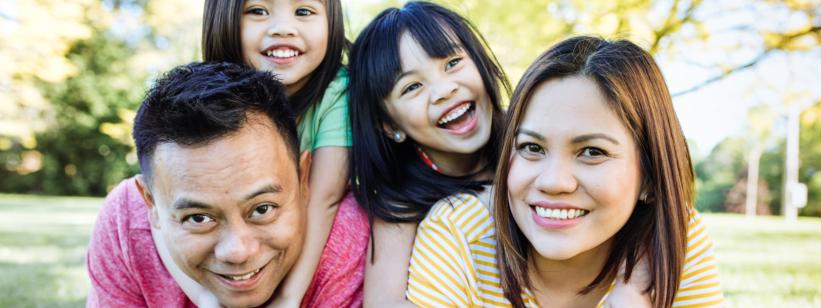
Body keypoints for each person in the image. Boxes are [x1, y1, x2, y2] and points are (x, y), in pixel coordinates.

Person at [407, 36, 725, 307]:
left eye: (592, 152)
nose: (554, 181)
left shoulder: (674, 240)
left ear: (650, 178)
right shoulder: (460, 234)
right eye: (532, 147)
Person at [86, 62, 367, 307]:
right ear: (150, 203)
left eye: (262, 209)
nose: (237, 252)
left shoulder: (349, 239)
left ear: (304, 179)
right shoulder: (125, 221)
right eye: (199, 218)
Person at [161, 1, 358, 305]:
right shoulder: (207, 97)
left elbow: (323, 199)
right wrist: (205, 298)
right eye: (258, 11)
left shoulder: (339, 92)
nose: (283, 28)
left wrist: (289, 297)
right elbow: (160, 210)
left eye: (303, 11)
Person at [347, 2, 509, 306]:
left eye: (452, 63)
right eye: (412, 87)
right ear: (390, 125)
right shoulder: (401, 200)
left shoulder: (528, 141)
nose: (444, 90)